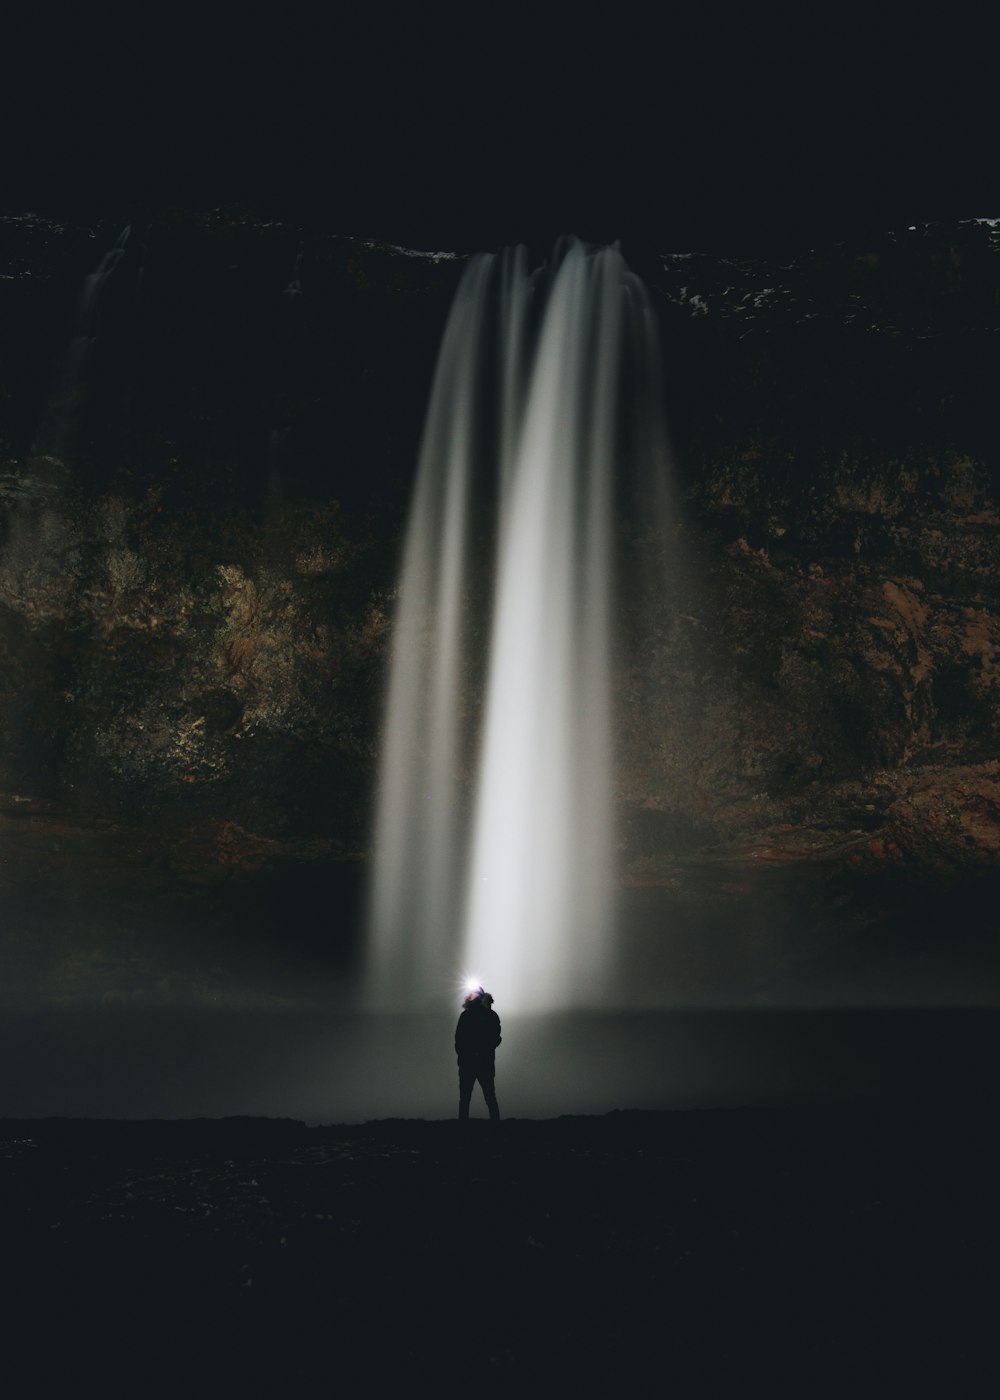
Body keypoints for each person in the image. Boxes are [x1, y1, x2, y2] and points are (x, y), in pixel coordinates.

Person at [455, 987, 502, 1121]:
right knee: (486, 1097)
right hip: (479, 1061)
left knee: (472, 1097)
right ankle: (495, 1124)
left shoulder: (469, 1016)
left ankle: (463, 1126)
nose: (472, 996)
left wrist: (463, 1055)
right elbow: (458, 1039)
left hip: (474, 1062)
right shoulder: (489, 1015)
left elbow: (459, 1039)